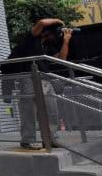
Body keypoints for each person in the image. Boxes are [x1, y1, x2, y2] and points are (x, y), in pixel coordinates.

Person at [7, 18, 73, 150]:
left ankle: (51, 139)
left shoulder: (47, 45)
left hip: (44, 79)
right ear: (46, 32)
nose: (56, 35)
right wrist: (58, 21)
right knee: (29, 110)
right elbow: (41, 23)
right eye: (55, 32)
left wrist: (66, 41)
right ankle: (27, 140)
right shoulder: (31, 38)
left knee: (51, 110)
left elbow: (61, 59)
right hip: (28, 78)